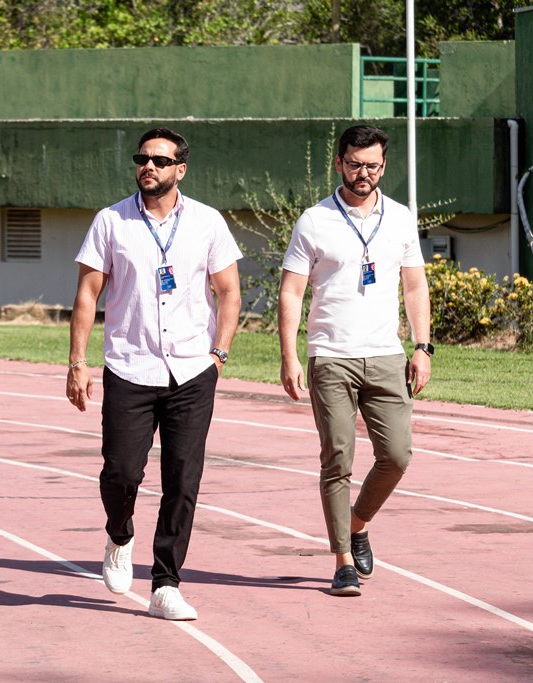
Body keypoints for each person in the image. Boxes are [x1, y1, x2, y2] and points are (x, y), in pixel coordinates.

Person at [66, 127, 242, 620]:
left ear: (180, 169)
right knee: (121, 472)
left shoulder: (207, 222)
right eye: (142, 158)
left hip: (192, 369)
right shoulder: (111, 222)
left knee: (182, 480)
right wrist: (77, 362)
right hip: (130, 366)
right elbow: (87, 295)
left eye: (161, 161)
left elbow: (229, 291)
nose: (149, 166)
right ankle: (119, 534)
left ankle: (166, 583)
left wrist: (219, 354)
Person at [278, 125, 432, 597]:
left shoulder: (400, 218)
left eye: (372, 166)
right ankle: (342, 560)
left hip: (386, 355)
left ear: (384, 166)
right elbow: (291, 291)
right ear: (339, 163)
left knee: (397, 455)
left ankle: (357, 522)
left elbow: (414, 286)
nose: (363, 173)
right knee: (337, 460)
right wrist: (289, 356)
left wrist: (423, 346)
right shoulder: (314, 221)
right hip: (331, 357)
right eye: (354, 164)